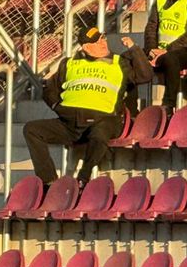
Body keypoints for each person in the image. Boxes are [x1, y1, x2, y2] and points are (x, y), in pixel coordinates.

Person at [24, 25, 152, 186]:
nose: (103, 43)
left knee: (100, 133)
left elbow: (145, 75)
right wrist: (58, 107)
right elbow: (49, 90)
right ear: (86, 47)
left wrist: (134, 49)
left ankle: (83, 177)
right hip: (71, 123)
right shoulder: (69, 63)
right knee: (31, 130)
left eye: (103, 38)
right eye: (97, 42)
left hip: (105, 119)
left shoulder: (120, 62)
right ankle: (48, 181)